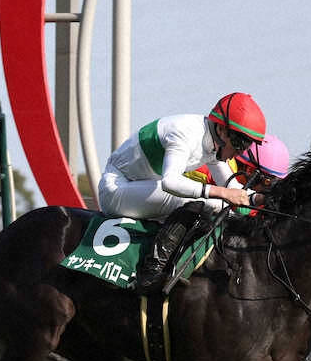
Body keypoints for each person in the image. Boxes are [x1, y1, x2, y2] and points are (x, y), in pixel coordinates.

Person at [96, 92, 272, 292]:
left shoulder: (212, 143)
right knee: (202, 202)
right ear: (223, 131)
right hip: (116, 189)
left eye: (246, 146)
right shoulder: (185, 134)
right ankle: (152, 272)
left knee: (220, 205)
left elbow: (235, 192)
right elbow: (170, 182)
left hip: (140, 188)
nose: (240, 152)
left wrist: (263, 198)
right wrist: (221, 193)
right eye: (240, 144)